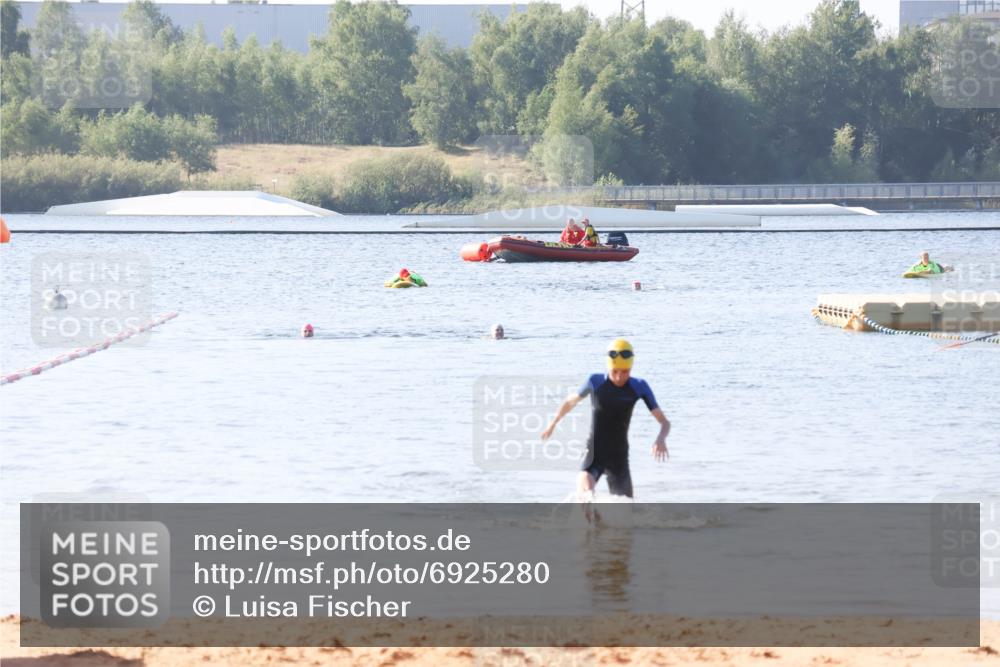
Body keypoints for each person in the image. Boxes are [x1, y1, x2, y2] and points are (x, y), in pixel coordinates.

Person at [541, 339, 670, 499]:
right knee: (585, 495)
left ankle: (603, 522)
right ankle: (593, 519)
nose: (619, 376)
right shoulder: (595, 382)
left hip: (619, 457)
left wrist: (660, 438)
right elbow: (570, 401)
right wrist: (553, 423)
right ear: (609, 366)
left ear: (631, 368)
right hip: (594, 452)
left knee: (625, 516)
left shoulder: (638, 387)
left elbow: (664, 422)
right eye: (615, 371)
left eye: (625, 372)